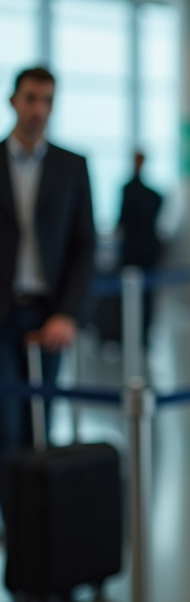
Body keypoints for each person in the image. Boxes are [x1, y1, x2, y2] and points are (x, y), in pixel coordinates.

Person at [0, 67, 95, 460]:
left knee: (42, 418)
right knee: (6, 423)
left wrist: (68, 313)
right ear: (13, 102)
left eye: (48, 101)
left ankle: (35, 517)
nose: (39, 109)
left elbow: (84, 245)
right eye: (31, 99)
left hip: (49, 312)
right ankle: (11, 518)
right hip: (2, 314)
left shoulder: (72, 166)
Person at [117, 150, 163, 342]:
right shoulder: (152, 195)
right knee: (146, 295)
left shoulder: (128, 190)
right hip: (148, 248)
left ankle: (135, 334)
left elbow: (121, 220)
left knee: (134, 294)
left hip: (133, 250)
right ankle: (141, 334)